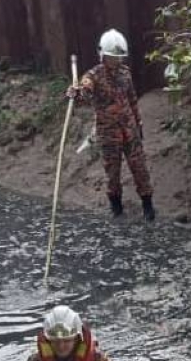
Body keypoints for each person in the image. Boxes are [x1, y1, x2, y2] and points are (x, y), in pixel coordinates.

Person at [67, 30, 156, 221]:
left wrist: (138, 123)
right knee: (112, 173)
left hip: (130, 130)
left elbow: (132, 100)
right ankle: (117, 210)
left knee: (140, 168)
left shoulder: (125, 73)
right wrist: (76, 93)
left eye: (119, 57)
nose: (118, 61)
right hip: (108, 133)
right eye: (114, 57)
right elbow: (85, 92)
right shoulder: (93, 76)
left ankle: (148, 208)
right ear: (104, 56)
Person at [22, 305, 124, 361]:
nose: (61, 346)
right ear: (48, 341)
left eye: (67, 340)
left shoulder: (98, 359)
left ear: (77, 339)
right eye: (56, 341)